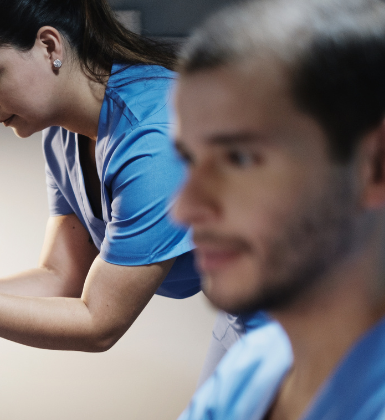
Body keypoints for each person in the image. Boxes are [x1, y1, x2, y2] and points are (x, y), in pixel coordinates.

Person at [0, 0, 264, 380]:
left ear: (50, 46)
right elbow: (60, 278)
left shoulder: (155, 136)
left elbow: (98, 324)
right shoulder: (63, 136)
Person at [171, 0, 385, 418]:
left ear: (375, 167)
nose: (185, 208)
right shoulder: (254, 366)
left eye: (240, 158)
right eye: (191, 160)